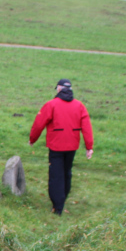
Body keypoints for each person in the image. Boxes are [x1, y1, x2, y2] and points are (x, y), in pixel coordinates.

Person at [29, 78, 94, 215]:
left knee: (56, 175)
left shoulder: (51, 105)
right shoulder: (79, 106)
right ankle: (62, 198)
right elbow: (87, 127)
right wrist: (89, 147)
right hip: (72, 145)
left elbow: (39, 123)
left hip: (56, 145)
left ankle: (57, 207)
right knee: (66, 172)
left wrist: (32, 139)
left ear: (59, 89)